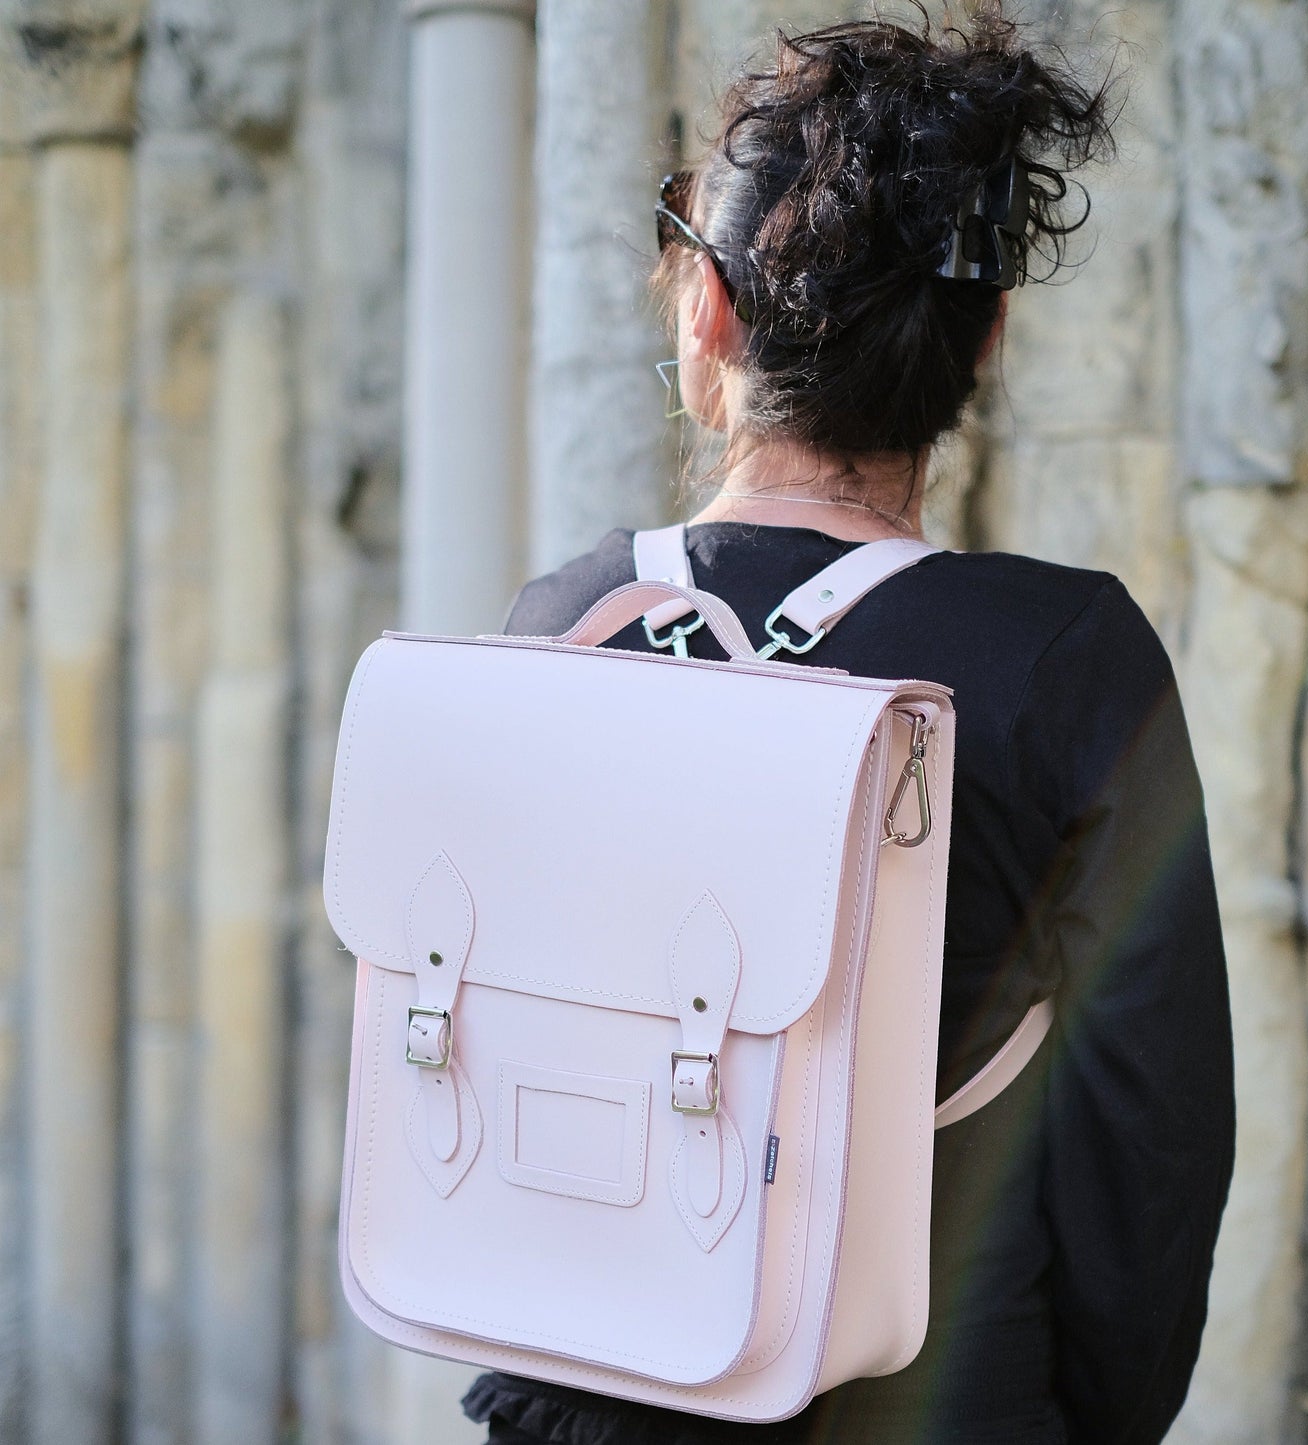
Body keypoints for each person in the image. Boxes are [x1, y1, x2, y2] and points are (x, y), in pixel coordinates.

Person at [462, 8, 1235, 1443]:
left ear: (709, 310)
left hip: (592, 1391)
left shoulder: (564, 623)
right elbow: (1153, 1142)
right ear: (983, 339)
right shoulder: (1067, 658)